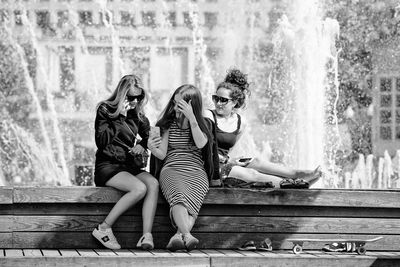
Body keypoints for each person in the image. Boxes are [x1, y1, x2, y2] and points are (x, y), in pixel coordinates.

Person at [205, 69, 322, 189]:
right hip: (211, 166)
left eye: (223, 100)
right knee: (252, 174)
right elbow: (205, 148)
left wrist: (233, 161)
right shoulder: (208, 116)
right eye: (216, 98)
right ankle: (291, 184)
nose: (218, 103)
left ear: (234, 102)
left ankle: (298, 174)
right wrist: (229, 162)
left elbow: (228, 150)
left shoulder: (241, 123)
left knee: (256, 162)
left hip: (226, 162)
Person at [148, 84, 218, 251]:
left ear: (191, 105)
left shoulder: (204, 124)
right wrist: (151, 147)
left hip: (196, 171)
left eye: (180, 104)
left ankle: (178, 236)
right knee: (178, 197)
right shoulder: (166, 123)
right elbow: (162, 154)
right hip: (171, 168)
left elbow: (201, 143)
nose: (175, 107)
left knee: (191, 204)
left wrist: (192, 118)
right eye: (174, 102)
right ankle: (187, 235)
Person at [92, 74, 159, 250]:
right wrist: (119, 116)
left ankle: (146, 235)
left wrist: (142, 146)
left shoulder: (138, 115)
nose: (135, 101)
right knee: (139, 188)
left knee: (152, 183)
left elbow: (148, 135)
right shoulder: (105, 109)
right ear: (122, 95)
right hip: (108, 166)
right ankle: (103, 228)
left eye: (139, 97)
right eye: (131, 97)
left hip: (129, 165)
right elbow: (101, 141)